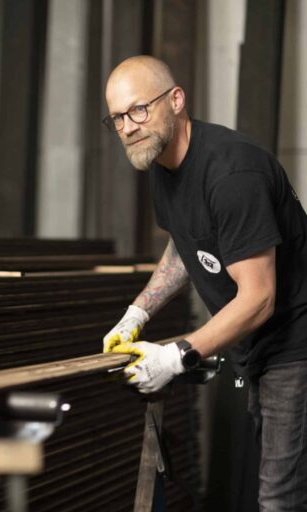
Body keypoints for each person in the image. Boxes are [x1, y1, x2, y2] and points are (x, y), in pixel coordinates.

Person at [101, 55, 307, 510]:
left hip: (296, 345)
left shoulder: (232, 174)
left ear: (176, 100)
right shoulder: (163, 162)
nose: (128, 127)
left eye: (138, 109)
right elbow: (185, 245)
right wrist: (138, 312)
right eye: (117, 117)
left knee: (279, 499)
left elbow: (260, 297)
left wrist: (178, 355)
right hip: (259, 350)